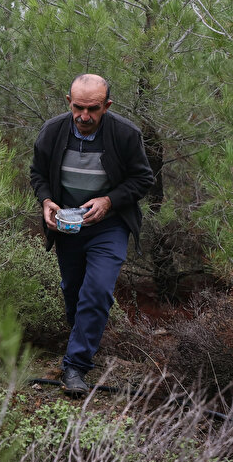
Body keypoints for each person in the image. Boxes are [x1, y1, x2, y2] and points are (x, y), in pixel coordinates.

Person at [28, 74, 154, 396]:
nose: (84, 116)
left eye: (93, 109)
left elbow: (143, 179)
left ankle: (76, 365)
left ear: (106, 106)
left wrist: (109, 200)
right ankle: (82, 339)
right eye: (78, 108)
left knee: (97, 290)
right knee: (73, 290)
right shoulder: (52, 131)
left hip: (109, 225)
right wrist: (46, 201)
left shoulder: (125, 134)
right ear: (68, 102)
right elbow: (38, 173)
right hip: (67, 224)